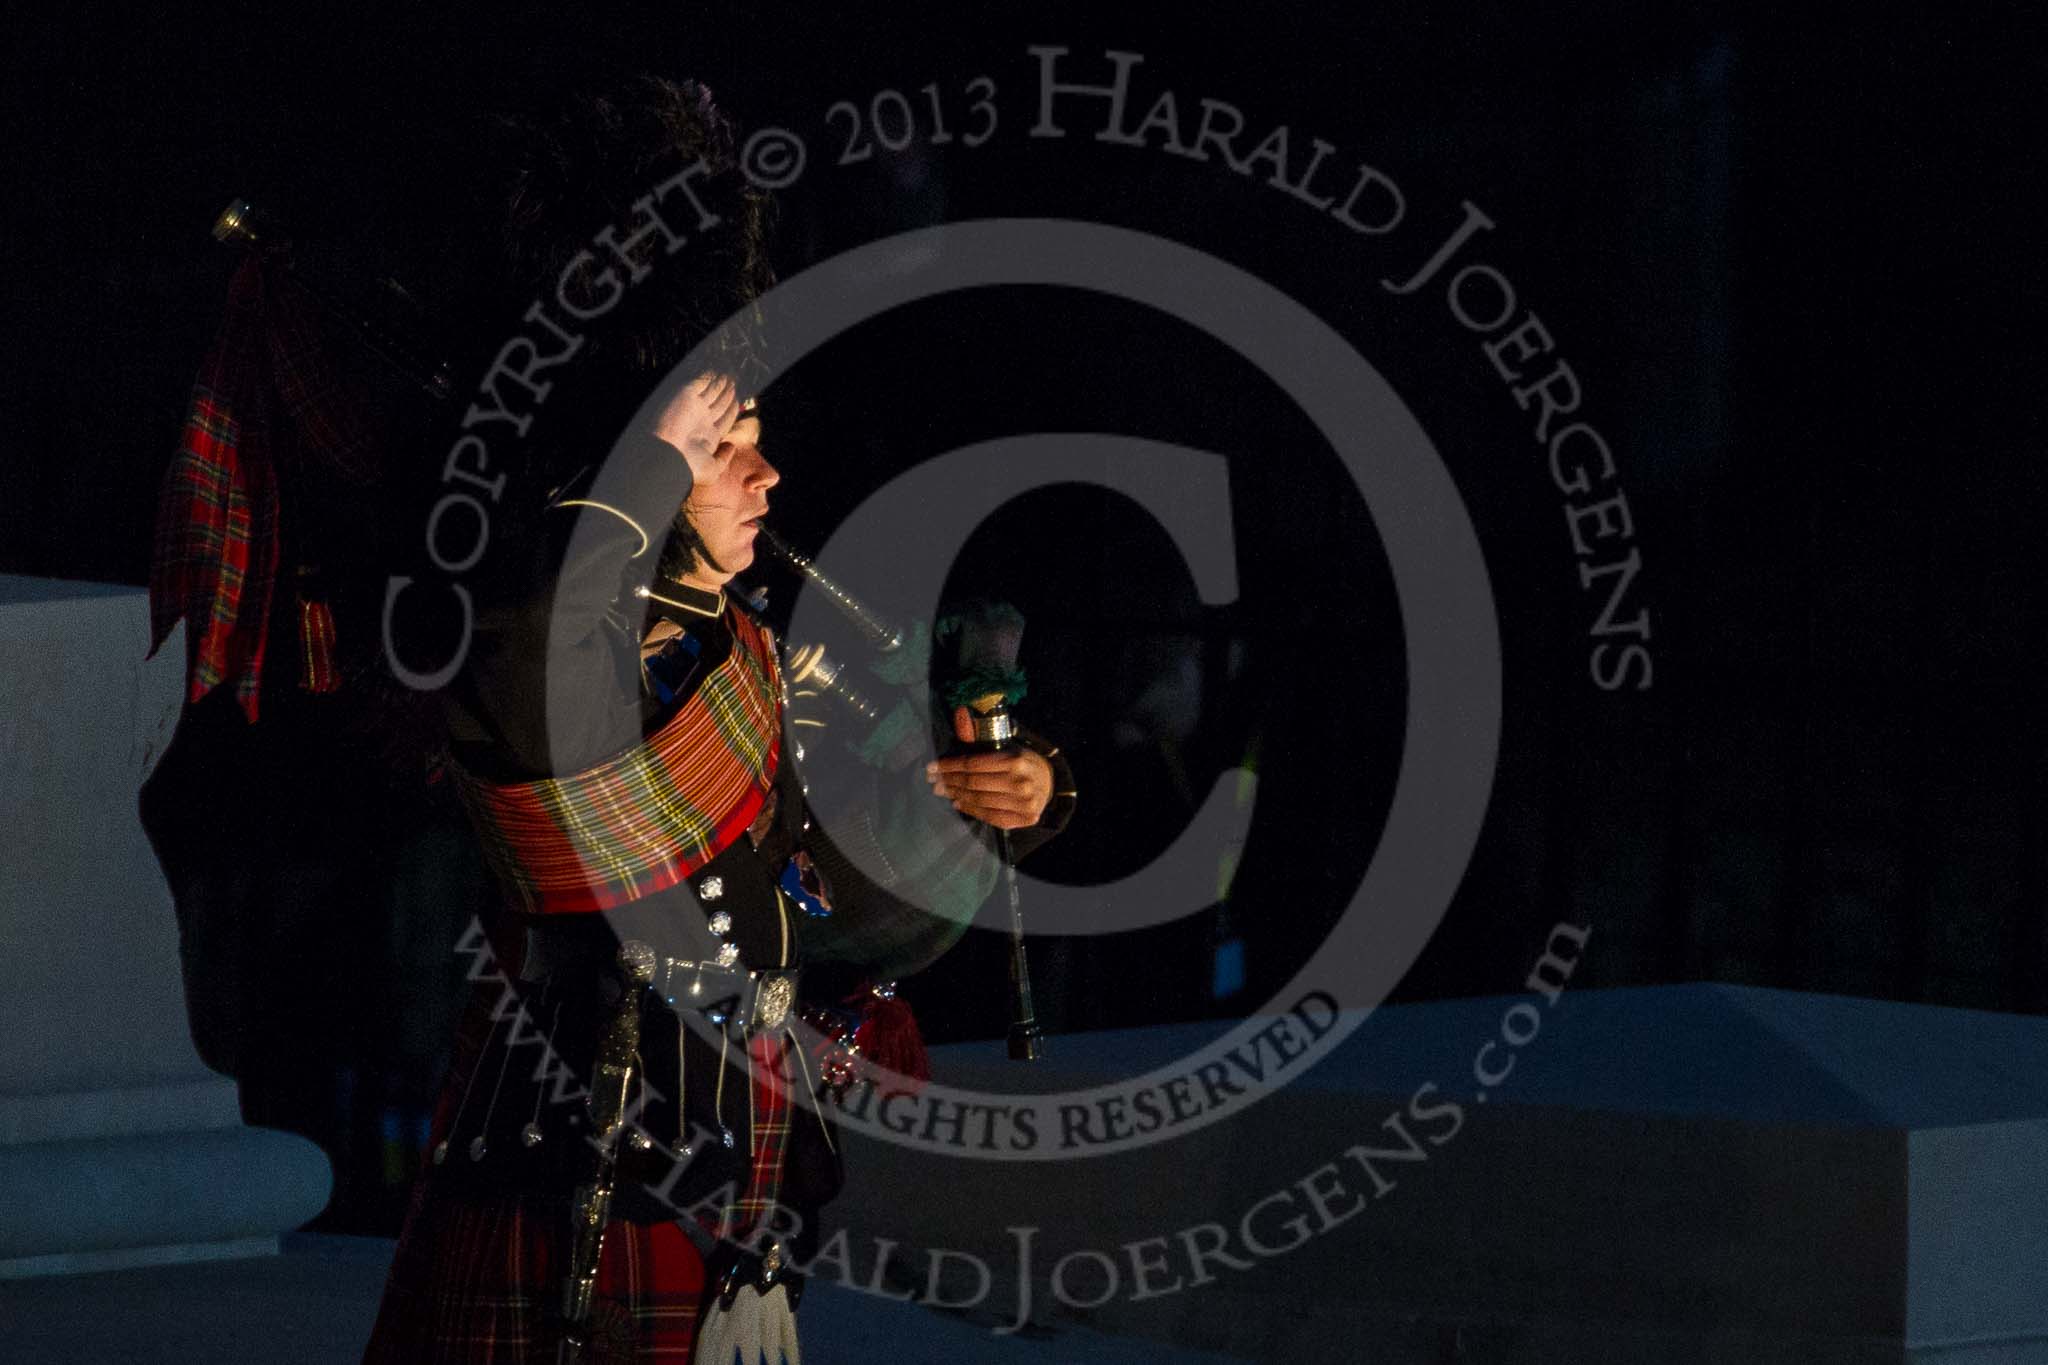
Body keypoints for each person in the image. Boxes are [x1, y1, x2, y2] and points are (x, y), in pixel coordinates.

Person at [362, 79, 1073, 1364]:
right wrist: (644, 457)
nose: (766, 470)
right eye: (725, 443)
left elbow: (835, 902)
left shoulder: (750, 651)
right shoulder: (531, 648)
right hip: (567, 1188)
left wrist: (996, 799)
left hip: (734, 1192)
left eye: (754, 436)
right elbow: (548, 679)